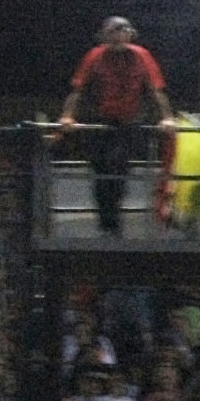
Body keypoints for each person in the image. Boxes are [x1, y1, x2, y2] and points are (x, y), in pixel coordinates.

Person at [59, 16, 175, 238]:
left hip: (128, 123)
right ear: (105, 35)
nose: (120, 35)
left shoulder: (141, 56)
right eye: (114, 31)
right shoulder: (95, 56)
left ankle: (113, 225)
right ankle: (107, 225)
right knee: (100, 173)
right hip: (99, 123)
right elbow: (78, 90)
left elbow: (156, 90)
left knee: (117, 168)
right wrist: (67, 115)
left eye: (124, 31)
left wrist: (167, 117)